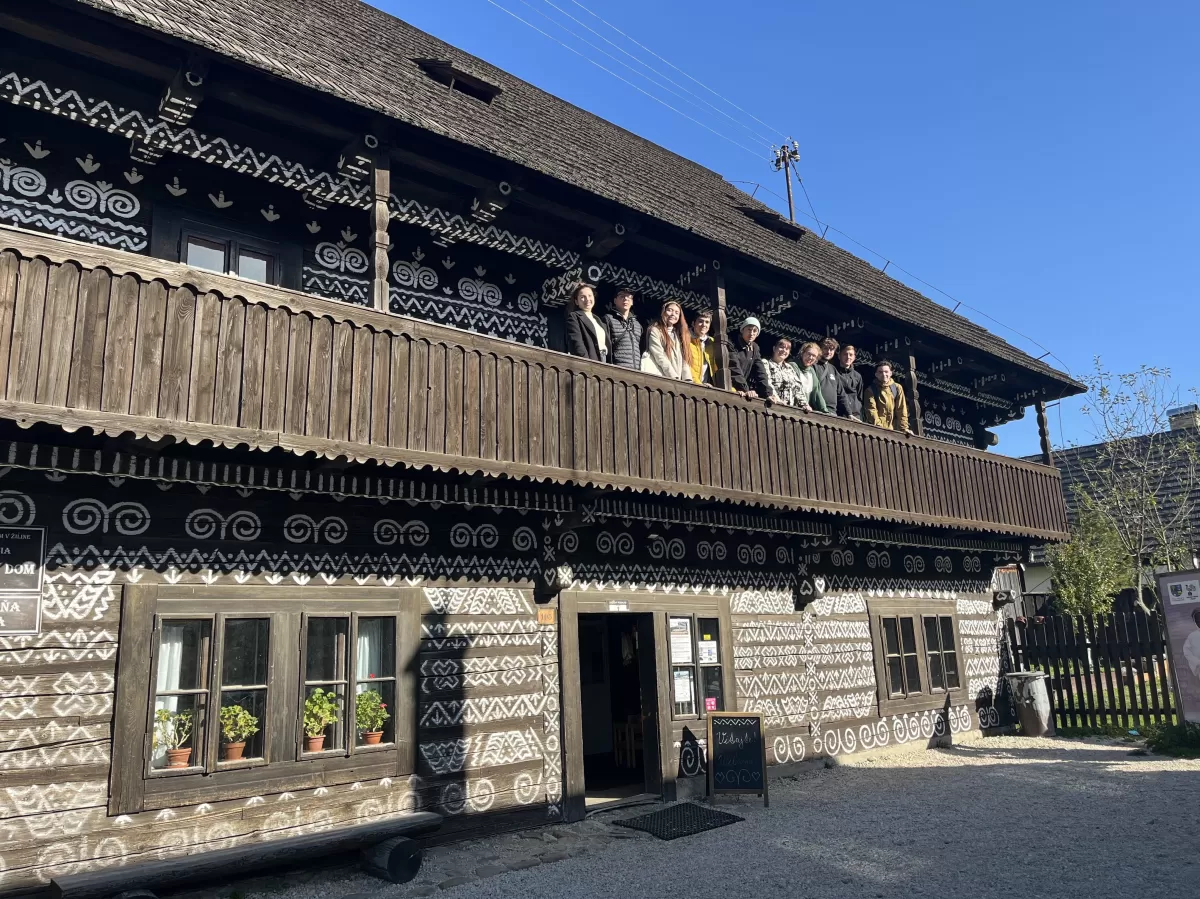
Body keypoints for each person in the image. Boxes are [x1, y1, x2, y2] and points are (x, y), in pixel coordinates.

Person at [641, 300, 694, 382]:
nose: (673, 314)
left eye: (677, 313)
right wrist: (672, 375)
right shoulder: (655, 330)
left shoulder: (680, 335)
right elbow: (659, 355)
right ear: (663, 312)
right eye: (670, 310)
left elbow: (685, 359)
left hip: (677, 379)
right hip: (662, 376)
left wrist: (687, 379)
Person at [564, 283, 613, 363]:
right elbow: (577, 342)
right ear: (576, 301)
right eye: (582, 297)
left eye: (590, 295)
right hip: (589, 360)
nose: (587, 299)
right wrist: (586, 362)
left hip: (604, 360)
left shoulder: (598, 320)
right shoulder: (574, 317)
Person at [863, 359, 912, 433]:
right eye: (880, 372)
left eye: (886, 372)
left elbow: (901, 409)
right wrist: (879, 427)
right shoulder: (870, 390)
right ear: (876, 374)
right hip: (876, 429)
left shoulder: (897, 388)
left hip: (892, 429)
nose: (884, 374)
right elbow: (871, 411)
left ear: (891, 373)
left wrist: (904, 428)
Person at [604, 288, 642, 371]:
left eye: (629, 297)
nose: (625, 299)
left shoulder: (637, 324)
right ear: (615, 300)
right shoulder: (608, 319)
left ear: (632, 302)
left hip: (636, 371)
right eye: (622, 296)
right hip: (617, 370)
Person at [732, 317, 770, 398]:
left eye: (755, 331)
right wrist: (745, 389)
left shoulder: (755, 348)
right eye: (749, 329)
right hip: (731, 386)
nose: (751, 333)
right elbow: (734, 367)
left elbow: (760, 372)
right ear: (742, 330)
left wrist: (768, 394)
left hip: (743, 389)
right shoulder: (732, 344)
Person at [762, 338, 804, 407]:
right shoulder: (766, 363)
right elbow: (767, 383)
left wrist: (804, 404)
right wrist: (777, 400)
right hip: (772, 405)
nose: (784, 350)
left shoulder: (790, 367)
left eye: (787, 349)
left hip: (789, 408)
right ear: (774, 348)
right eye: (781, 347)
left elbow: (798, 387)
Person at [791, 341, 830, 412]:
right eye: (808, 354)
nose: (810, 357)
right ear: (802, 353)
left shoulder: (811, 371)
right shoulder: (793, 366)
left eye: (814, 356)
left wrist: (825, 411)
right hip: (794, 408)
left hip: (807, 410)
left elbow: (817, 392)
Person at [688, 308, 719, 386]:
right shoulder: (686, 339)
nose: (704, 325)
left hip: (708, 387)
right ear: (693, 323)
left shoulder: (712, 342)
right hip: (690, 384)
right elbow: (686, 365)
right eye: (700, 321)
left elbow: (718, 368)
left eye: (707, 322)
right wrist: (698, 384)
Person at [834, 344, 864, 420]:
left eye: (851, 355)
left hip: (855, 415)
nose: (848, 357)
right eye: (845, 354)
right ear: (839, 356)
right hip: (838, 413)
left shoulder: (858, 376)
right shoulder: (834, 372)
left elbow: (860, 397)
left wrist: (857, 408)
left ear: (854, 357)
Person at [814, 336, 842, 412]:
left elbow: (841, 393)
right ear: (820, 349)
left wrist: (849, 413)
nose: (828, 352)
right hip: (816, 410)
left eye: (831, 349)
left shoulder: (833, 369)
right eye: (826, 348)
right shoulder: (813, 365)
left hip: (832, 411)